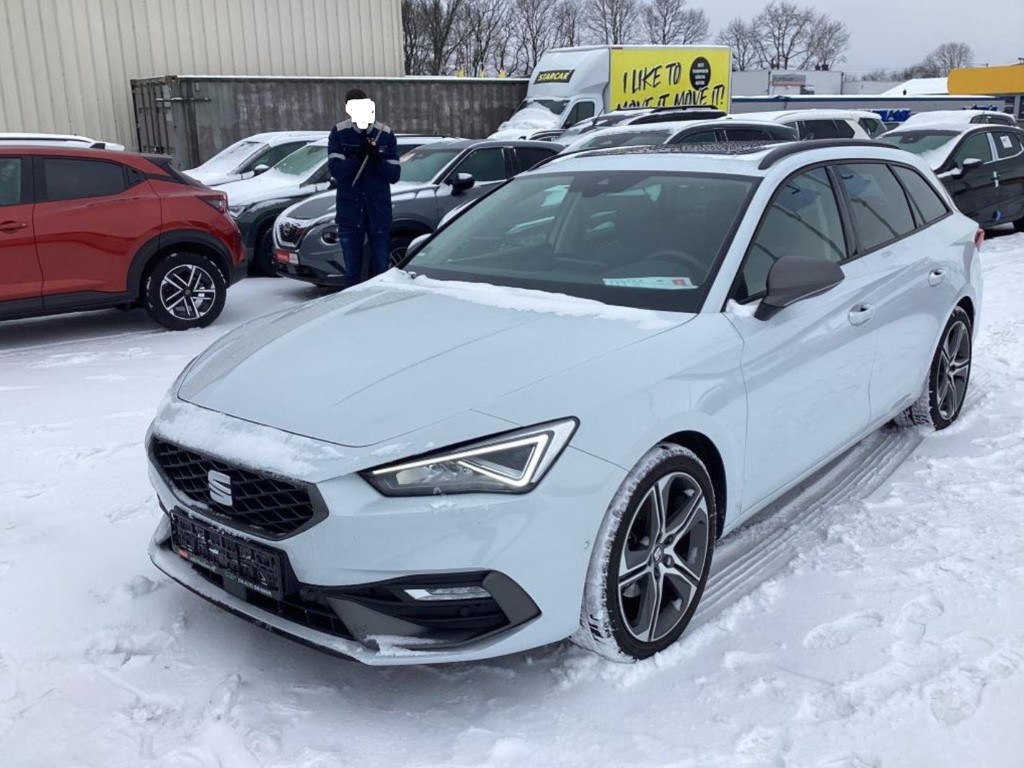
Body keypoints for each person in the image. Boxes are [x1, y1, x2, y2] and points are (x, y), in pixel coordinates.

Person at [326, 88, 401, 286]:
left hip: (378, 212)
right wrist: (357, 156)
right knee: (352, 272)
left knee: (381, 270)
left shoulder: (384, 134)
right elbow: (336, 170)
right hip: (350, 213)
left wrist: (377, 159)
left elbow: (394, 175)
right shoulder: (339, 133)